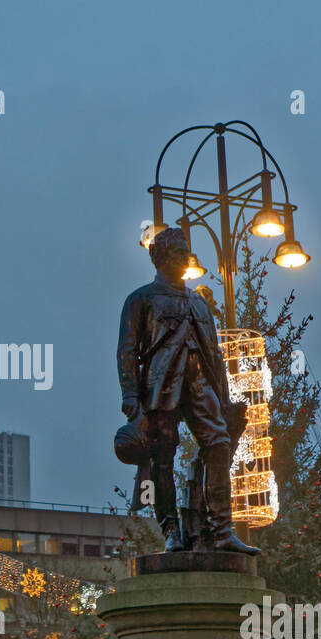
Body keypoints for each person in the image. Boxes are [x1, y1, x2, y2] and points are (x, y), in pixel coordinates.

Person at [115, 227, 256, 555]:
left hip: (198, 384)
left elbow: (214, 354)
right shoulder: (141, 299)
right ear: (160, 257)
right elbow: (126, 351)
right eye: (178, 251)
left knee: (219, 444)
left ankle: (222, 529)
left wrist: (224, 398)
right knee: (162, 458)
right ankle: (171, 532)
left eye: (185, 251)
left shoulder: (198, 302)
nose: (185, 256)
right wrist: (130, 397)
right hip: (160, 387)